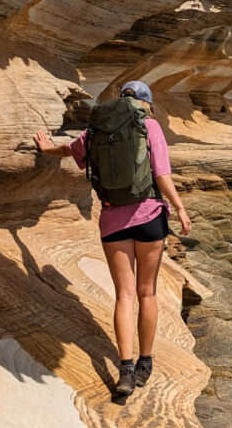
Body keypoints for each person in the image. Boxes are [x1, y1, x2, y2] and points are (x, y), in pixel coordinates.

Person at [33, 80, 191, 397]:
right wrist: (180, 208)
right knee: (147, 293)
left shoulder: (96, 130)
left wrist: (45, 147)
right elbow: (161, 173)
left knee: (125, 296)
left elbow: (69, 151)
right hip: (148, 216)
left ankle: (127, 371)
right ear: (146, 103)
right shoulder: (149, 126)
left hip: (111, 221)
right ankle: (146, 363)